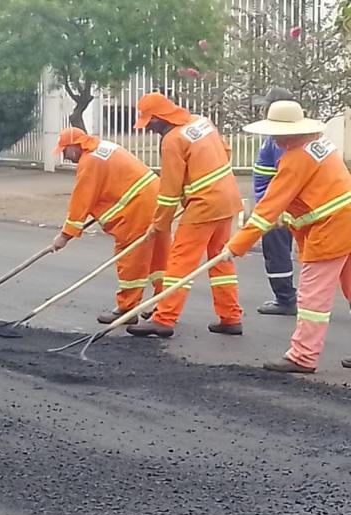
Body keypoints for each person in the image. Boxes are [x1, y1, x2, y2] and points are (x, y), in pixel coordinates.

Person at [220, 101, 351, 374]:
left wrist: (235, 246)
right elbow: (314, 193)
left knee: (313, 297)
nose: (273, 138)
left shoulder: (295, 159)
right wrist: (289, 216)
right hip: (345, 220)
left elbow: (267, 209)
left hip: (331, 229)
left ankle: (303, 356)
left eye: (276, 133)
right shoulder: (320, 144)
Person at [127, 92, 244, 338]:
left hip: (204, 206)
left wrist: (160, 225)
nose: (148, 128)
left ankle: (164, 318)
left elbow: (169, 191)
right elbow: (226, 150)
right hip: (227, 198)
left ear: (159, 118)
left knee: (180, 262)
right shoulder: (202, 122)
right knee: (220, 260)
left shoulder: (172, 140)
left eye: (149, 122)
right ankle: (230, 317)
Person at [51, 127, 169, 324]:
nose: (65, 156)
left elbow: (82, 200)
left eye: (64, 151)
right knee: (159, 256)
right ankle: (165, 305)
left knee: (131, 257)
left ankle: (127, 309)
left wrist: (64, 236)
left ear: (74, 146)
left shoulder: (89, 162)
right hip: (157, 199)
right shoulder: (103, 147)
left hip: (137, 208)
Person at [251, 86, 298, 315]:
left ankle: (285, 299)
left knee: (277, 254)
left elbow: (285, 176)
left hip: (277, 208)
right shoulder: (277, 138)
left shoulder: (281, 140)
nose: (262, 111)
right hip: (274, 205)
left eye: (266, 107)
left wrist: (275, 209)